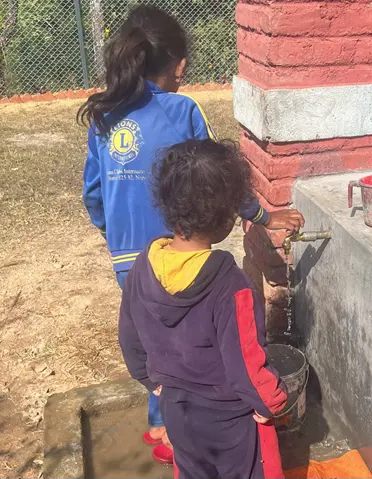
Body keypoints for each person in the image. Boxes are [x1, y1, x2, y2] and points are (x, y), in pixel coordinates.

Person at [78, 5, 303, 465]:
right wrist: (263, 216)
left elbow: (94, 194)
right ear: (179, 65)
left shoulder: (104, 117)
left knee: (155, 332)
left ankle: (163, 423)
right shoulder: (182, 109)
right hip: (189, 255)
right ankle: (201, 428)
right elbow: (213, 175)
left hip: (130, 260)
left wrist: (113, 234)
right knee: (202, 346)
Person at [118, 139, 288, 479]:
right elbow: (246, 363)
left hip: (177, 411)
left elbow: (129, 335)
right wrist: (274, 402)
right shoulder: (232, 286)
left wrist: (151, 381)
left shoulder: (144, 266)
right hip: (228, 422)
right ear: (227, 217)